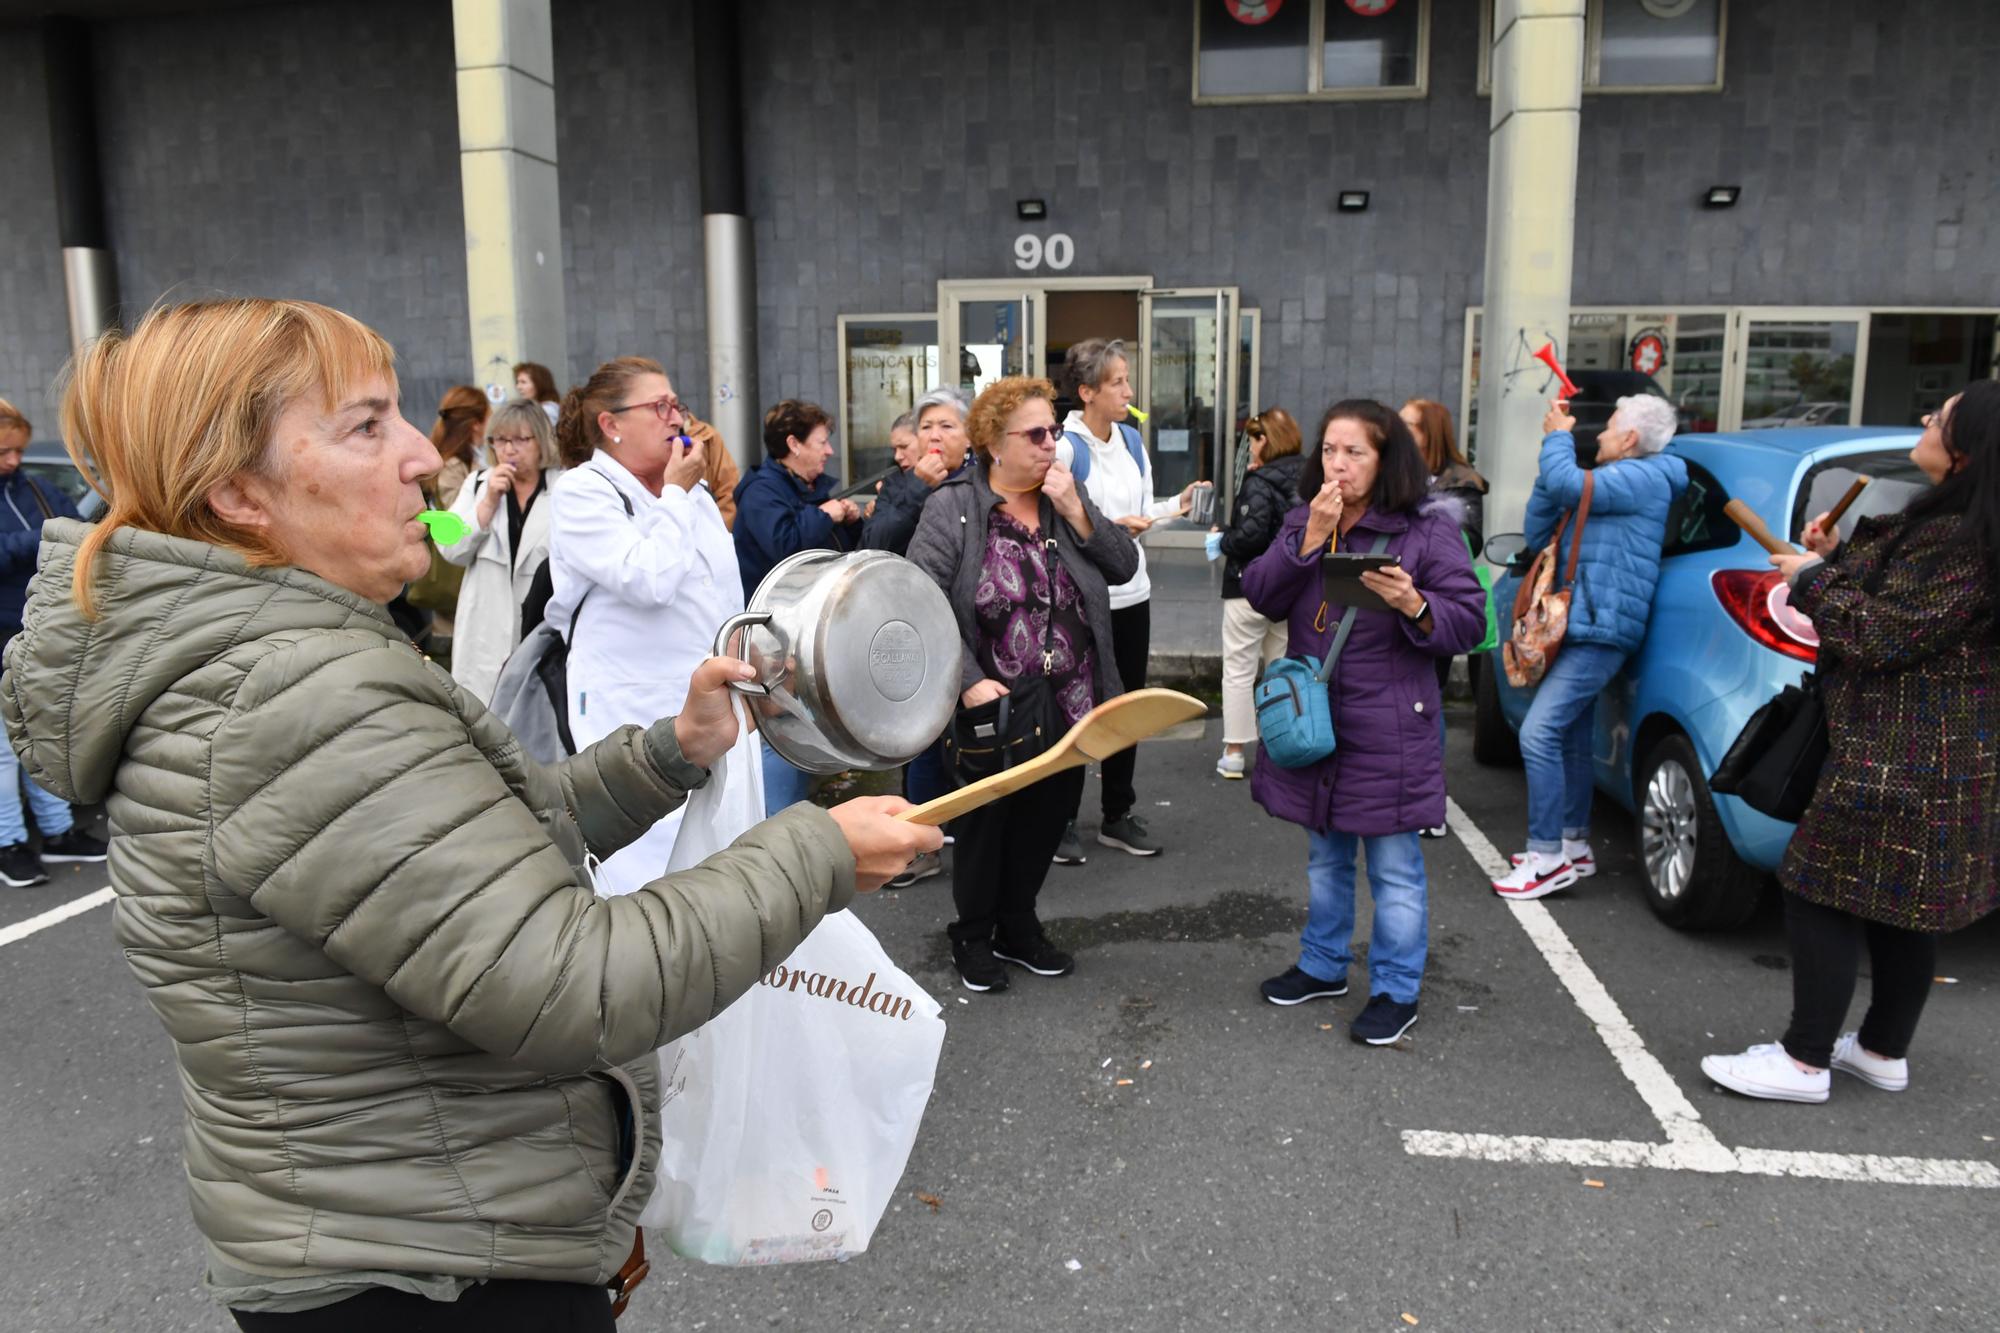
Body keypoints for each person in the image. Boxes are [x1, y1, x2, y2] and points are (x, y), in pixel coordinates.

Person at [0, 298, 938, 1331]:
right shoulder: (294, 696)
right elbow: (566, 983)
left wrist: (670, 754)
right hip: (427, 1272)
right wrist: (811, 854)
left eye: (400, 416)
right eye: (364, 425)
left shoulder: (267, 665)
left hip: (392, 1234)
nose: (419, 457)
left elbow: (477, 842)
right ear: (235, 492)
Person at [1703, 383, 2000, 1103]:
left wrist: (1812, 583)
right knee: (1904, 902)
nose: (1925, 420)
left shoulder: (1968, 545)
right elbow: (1897, 608)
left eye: (1940, 416)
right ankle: (1879, 1049)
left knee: (1816, 887)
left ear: (1966, 450)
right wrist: (1831, 560)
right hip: (1928, 757)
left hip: (1903, 754)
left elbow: (1881, 633)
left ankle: (1804, 1061)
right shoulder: (1957, 524)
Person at [1243, 400, 1486, 1045]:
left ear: (1387, 461)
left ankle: (1395, 988)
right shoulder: (1305, 518)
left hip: (1390, 726)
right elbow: (1261, 594)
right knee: (1325, 859)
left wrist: (1416, 602)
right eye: (1330, 451)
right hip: (1317, 719)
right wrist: (1306, 540)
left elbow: (1469, 621)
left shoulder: (1427, 531)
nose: (1339, 464)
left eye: (1356, 453)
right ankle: (1323, 965)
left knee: (1395, 868)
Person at [907, 376, 1137, 992]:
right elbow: (918, 602)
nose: (1050, 445)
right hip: (996, 705)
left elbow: (1124, 565)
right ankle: (973, 934)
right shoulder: (953, 506)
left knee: (1047, 818)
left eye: (1055, 433)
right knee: (987, 827)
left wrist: (1077, 510)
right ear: (992, 442)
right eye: (1036, 434)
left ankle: (1019, 924)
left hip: (1071, 699)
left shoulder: (1065, 495)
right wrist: (967, 681)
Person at [548, 356, 749, 896]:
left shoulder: (690, 492)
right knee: (649, 858)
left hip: (707, 700)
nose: (675, 417)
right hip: (627, 705)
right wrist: (679, 495)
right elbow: (647, 578)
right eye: (658, 406)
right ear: (612, 425)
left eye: (675, 404)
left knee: (718, 853)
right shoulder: (582, 492)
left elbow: (723, 593)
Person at [1490, 394, 1688, 899]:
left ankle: (1546, 857)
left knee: (1538, 733)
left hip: (1601, 627)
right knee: (1572, 738)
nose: (1597, 435)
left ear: (1630, 440)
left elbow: (1567, 482)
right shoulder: (1606, 485)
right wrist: (1550, 471)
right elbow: (1538, 529)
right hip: (1582, 625)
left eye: (1610, 427)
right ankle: (1573, 844)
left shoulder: (1648, 477)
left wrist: (1557, 438)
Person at [1052, 337, 1196, 862]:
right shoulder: (1065, 449)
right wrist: (1112, 529)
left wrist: (1173, 507)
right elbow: (1056, 525)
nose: (1129, 391)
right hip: (1081, 600)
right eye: (1117, 382)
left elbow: (1141, 513)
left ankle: (1116, 814)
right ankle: (1060, 819)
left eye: (1127, 380)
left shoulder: (1133, 441)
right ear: (1086, 391)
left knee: (1127, 707)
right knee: (1075, 710)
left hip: (1133, 593)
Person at [734, 398, 863, 814]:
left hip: (801, 631)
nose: (829, 451)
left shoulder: (807, 487)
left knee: (800, 728)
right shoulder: (761, 492)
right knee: (779, 728)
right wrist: (825, 515)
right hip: (769, 636)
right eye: (822, 442)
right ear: (793, 443)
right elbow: (785, 546)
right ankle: (777, 830)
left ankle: (790, 821)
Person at [0, 397, 104, 887]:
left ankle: (59, 832)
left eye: (16, 450)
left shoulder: (35, 490)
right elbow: (57, 536)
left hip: (36, 629)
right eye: (4, 452)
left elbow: (80, 534)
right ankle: (11, 844)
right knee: (2, 751)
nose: (13, 461)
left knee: (43, 734)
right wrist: (44, 539)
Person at [1400, 398, 1489, 837]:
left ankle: (1429, 803)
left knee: (1428, 699)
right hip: (1398, 600)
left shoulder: (1461, 481)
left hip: (1436, 606)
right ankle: (1410, 791)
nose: (1397, 431)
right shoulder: (1402, 474)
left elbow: (1470, 543)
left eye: (1408, 425)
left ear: (1429, 431)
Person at [435, 398, 562, 704]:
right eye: (501, 440)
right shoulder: (477, 483)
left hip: (540, 629)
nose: (509, 449)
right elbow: (451, 549)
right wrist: (488, 503)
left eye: (520, 439)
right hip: (485, 634)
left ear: (541, 440)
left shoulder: (564, 486)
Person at [1212, 408, 1305, 779]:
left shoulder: (1258, 482)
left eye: (1252, 440)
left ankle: (1234, 752)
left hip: (1248, 585)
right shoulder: (1310, 479)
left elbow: (1249, 535)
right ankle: (1280, 745)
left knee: (1238, 668)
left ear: (1264, 440)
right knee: (1281, 667)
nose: (1249, 448)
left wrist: (1222, 539)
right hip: (1289, 588)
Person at [863, 389, 973, 558]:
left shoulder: (984, 481)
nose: (934, 436)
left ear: (969, 437)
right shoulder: (896, 483)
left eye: (946, 426)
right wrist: (919, 486)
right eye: (926, 427)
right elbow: (873, 547)